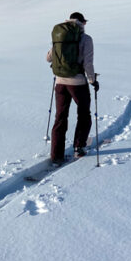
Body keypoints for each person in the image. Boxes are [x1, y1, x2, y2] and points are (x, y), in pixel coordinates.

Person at [46, 12, 99, 166]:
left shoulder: (60, 35)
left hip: (60, 83)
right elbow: (88, 63)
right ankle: (79, 147)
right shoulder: (86, 39)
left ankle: (56, 155)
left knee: (60, 117)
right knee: (84, 114)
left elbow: (48, 58)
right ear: (82, 23)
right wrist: (92, 80)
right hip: (78, 83)